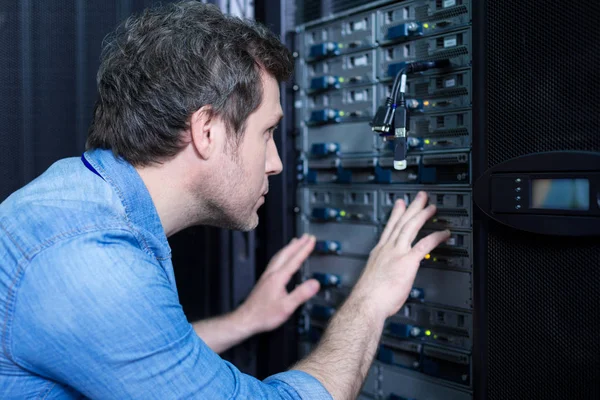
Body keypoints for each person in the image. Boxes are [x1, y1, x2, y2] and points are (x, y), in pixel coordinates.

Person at [0, 2, 450, 399]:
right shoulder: (93, 262)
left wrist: (244, 320)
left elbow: (138, 357)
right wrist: (371, 300)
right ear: (207, 130)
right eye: (267, 132)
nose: (275, 162)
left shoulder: (80, 199)